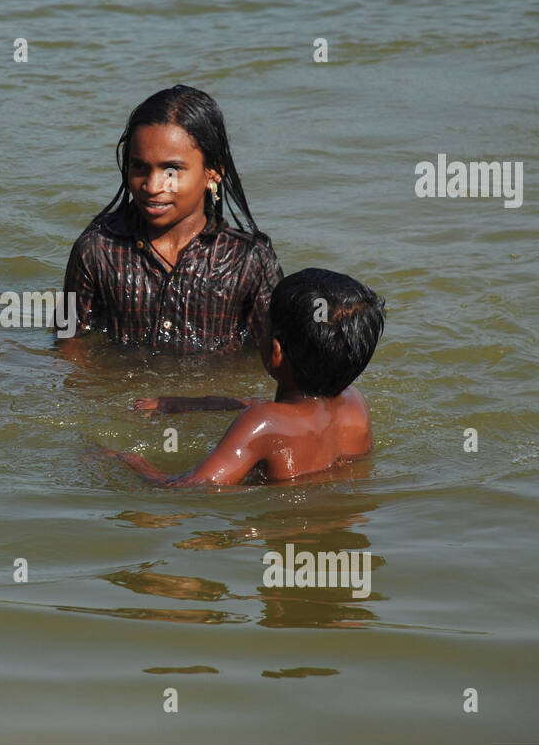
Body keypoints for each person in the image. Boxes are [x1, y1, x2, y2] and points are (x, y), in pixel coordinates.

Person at [108, 268, 385, 485]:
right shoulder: (355, 403)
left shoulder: (262, 422)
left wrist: (127, 459)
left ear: (276, 352)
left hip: (282, 526)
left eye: (264, 326)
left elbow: (190, 487)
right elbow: (284, 416)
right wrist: (184, 403)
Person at [62, 85, 282, 352]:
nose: (152, 186)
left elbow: (274, 360)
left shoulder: (249, 262)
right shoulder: (97, 251)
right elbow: (67, 345)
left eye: (172, 170)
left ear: (213, 172)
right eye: (139, 167)